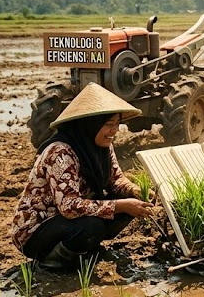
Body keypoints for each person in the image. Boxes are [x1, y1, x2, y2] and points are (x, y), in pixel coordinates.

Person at [11, 83, 154, 269]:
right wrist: (120, 206)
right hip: (36, 231)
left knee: (128, 200)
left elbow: (115, 179)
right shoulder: (60, 152)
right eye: (109, 125)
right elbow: (68, 206)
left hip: (68, 221)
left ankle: (86, 248)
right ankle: (52, 262)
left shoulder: (103, 146)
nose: (115, 131)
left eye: (117, 124)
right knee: (92, 226)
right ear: (90, 125)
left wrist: (134, 191)